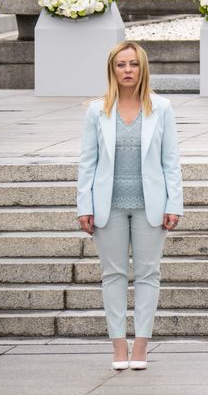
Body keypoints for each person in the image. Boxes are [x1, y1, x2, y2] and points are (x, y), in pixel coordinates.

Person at [76, 40, 183, 370]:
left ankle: (141, 347)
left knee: (149, 274)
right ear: (112, 69)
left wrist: (174, 203)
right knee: (114, 275)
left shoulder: (160, 108)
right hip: (108, 206)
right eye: (121, 64)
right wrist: (84, 205)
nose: (127, 70)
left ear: (143, 69)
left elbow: (171, 161)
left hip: (150, 205)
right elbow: (87, 163)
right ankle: (118, 347)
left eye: (133, 64)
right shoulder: (97, 111)